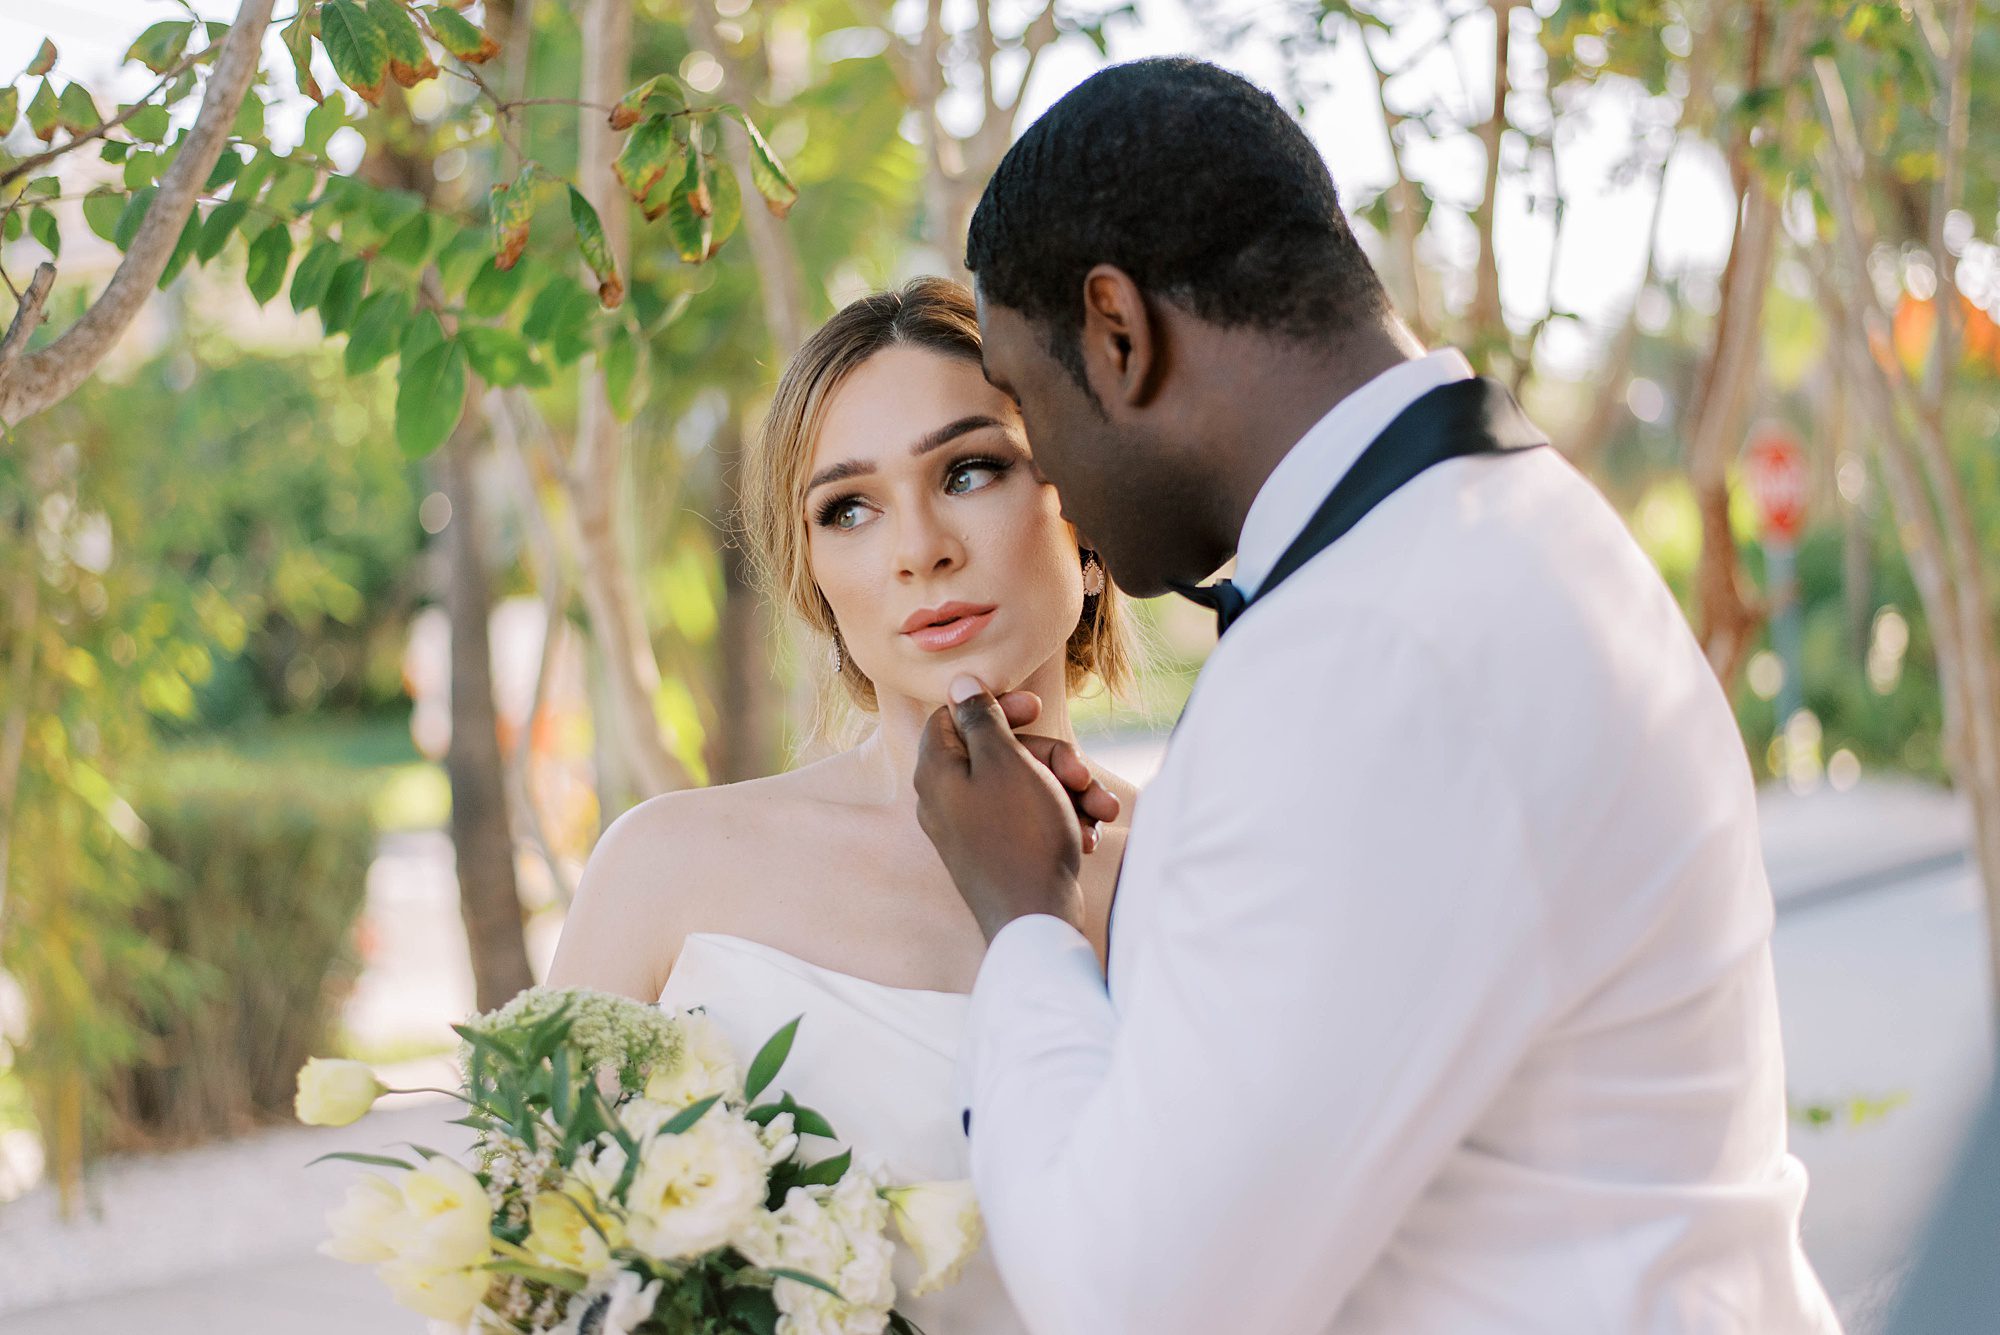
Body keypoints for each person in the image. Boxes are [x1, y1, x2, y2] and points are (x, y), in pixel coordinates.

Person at [912, 57, 1844, 1334]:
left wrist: (1024, 920)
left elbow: (1134, 1299)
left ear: (1117, 334)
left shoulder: (1371, 653)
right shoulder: (1493, 533)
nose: (1050, 478)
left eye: (1024, 408)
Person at [546, 277, 1134, 1333]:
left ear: (1082, 521)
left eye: (969, 470)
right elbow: (531, 1270)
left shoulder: (1185, 877)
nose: (917, 549)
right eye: (848, 508)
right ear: (815, 579)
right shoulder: (665, 868)